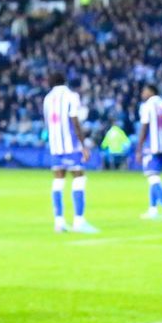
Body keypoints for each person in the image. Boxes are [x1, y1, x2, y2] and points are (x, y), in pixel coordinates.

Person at [43, 73, 98, 233]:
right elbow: (75, 121)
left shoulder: (47, 98)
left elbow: (47, 123)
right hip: (70, 146)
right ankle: (79, 221)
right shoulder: (71, 96)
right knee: (79, 178)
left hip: (55, 146)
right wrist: (83, 145)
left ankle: (59, 221)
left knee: (58, 180)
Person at [136, 84, 162, 220]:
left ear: (151, 91)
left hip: (151, 147)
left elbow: (144, 128)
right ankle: (152, 210)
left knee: (153, 178)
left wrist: (139, 149)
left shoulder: (147, 106)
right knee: (154, 177)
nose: (143, 93)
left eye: (144, 90)